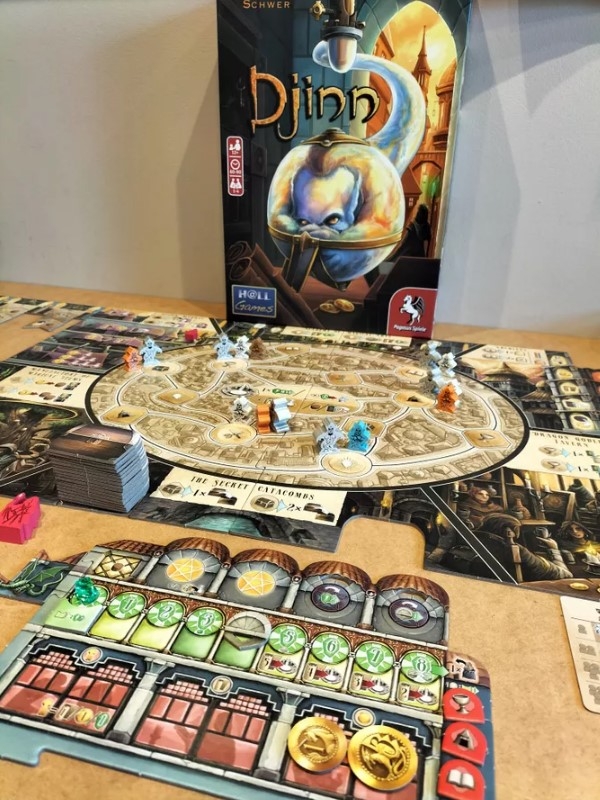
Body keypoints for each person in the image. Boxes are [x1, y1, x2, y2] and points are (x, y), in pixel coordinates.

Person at [441, 513, 572, 583]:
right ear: (510, 531)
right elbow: (564, 575)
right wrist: (554, 550)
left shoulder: (463, 539)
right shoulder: (515, 549)